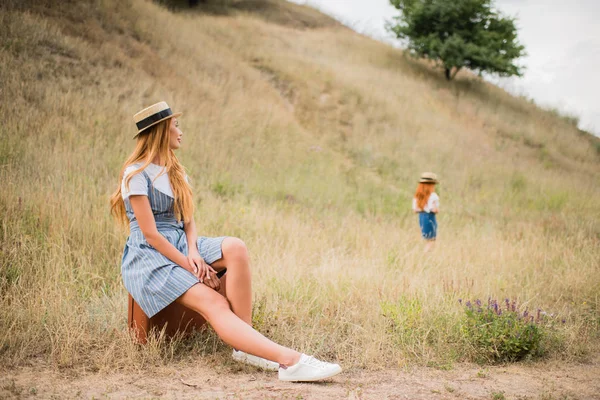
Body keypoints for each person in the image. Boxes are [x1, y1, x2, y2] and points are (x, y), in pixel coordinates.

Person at [110, 102, 342, 382]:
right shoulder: (135, 175)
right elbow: (151, 235)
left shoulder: (176, 172)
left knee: (235, 247)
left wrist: (193, 252)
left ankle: (246, 346)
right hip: (149, 255)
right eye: (176, 126)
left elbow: (189, 221)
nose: (181, 132)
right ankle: (291, 361)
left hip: (182, 243)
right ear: (161, 131)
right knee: (214, 303)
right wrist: (190, 266)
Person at [412, 172, 440, 252]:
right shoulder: (433, 196)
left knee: (427, 239)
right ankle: (425, 255)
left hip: (421, 217)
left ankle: (425, 255)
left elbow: (415, 210)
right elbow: (434, 209)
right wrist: (436, 209)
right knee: (431, 240)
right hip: (430, 217)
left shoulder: (417, 196)